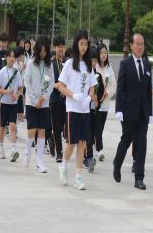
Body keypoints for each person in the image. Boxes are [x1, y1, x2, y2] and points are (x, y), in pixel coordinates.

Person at [56, 29, 97, 190]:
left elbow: (92, 85)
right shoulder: (68, 64)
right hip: (72, 108)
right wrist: (74, 96)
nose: (84, 47)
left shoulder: (88, 65)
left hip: (85, 109)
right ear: (76, 44)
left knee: (82, 143)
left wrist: (88, 97)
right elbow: (61, 86)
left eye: (86, 44)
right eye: (81, 43)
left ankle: (78, 176)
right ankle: (64, 165)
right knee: (71, 142)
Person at [113, 33, 153, 190]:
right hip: (128, 111)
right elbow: (120, 88)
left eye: (142, 44)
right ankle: (117, 163)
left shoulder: (147, 64)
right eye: (137, 43)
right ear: (131, 46)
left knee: (142, 144)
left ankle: (139, 177)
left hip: (143, 112)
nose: (140, 47)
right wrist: (118, 110)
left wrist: (150, 113)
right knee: (126, 140)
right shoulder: (125, 64)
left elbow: (148, 91)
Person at [23, 36, 54, 173]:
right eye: (40, 51)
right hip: (31, 102)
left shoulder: (49, 65)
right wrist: (34, 99)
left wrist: (44, 98)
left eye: (45, 51)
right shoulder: (30, 63)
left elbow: (51, 83)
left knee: (42, 130)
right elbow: (27, 81)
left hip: (44, 103)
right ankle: (27, 153)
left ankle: (39, 162)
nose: (43, 54)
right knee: (32, 129)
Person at [0, 48, 23, 162]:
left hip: (14, 104)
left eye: (13, 57)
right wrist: (6, 92)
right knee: (2, 126)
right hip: (4, 103)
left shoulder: (17, 72)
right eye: (10, 57)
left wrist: (16, 95)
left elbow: (21, 89)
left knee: (12, 126)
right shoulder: (2, 71)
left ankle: (13, 150)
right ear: (6, 58)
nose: (12, 59)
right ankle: (0, 147)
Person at [95, 43, 116, 161]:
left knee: (101, 127)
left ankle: (95, 146)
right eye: (101, 52)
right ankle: (100, 149)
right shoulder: (95, 67)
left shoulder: (109, 67)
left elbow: (114, 84)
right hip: (96, 103)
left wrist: (107, 92)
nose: (103, 55)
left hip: (105, 103)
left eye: (105, 52)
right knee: (97, 127)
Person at [82, 47, 103, 173]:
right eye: (92, 60)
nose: (93, 63)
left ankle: (91, 155)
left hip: (95, 110)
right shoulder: (84, 75)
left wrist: (97, 99)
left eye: (95, 61)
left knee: (95, 133)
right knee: (87, 135)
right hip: (85, 110)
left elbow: (102, 92)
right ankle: (87, 157)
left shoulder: (98, 76)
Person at [49, 35, 66, 162]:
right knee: (56, 126)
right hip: (54, 98)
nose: (60, 49)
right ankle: (59, 152)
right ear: (54, 48)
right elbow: (46, 81)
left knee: (63, 126)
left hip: (66, 99)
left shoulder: (68, 63)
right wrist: (56, 85)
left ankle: (52, 140)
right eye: (58, 47)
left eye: (62, 47)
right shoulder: (50, 64)